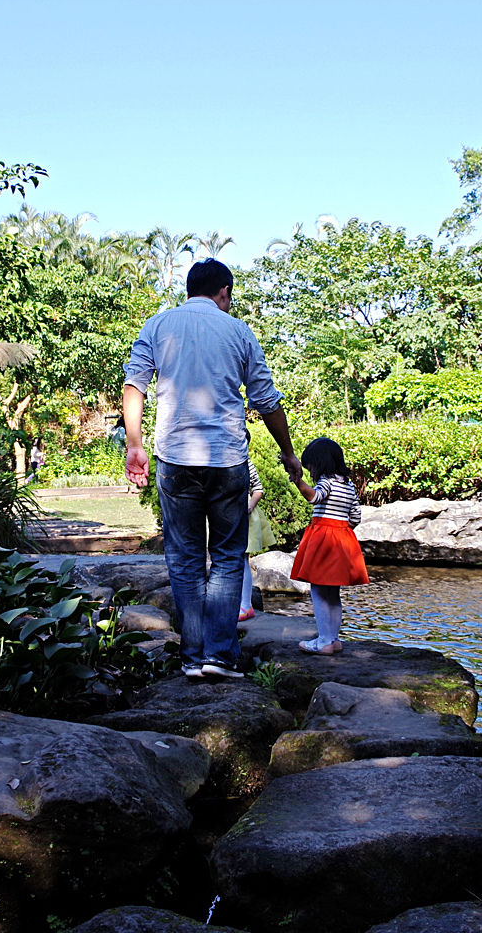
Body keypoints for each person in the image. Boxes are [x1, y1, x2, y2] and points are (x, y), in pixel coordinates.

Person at [122, 258, 301, 680]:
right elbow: (266, 401)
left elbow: (135, 385)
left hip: (175, 458)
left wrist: (135, 446)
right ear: (223, 291)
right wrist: (289, 452)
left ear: (189, 290)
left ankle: (191, 657)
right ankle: (219, 658)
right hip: (227, 461)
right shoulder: (238, 331)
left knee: (184, 559)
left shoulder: (157, 326)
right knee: (225, 558)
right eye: (230, 295)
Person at [288, 436, 368, 655]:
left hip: (323, 537)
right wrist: (341, 529)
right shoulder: (348, 485)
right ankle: (333, 639)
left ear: (320, 463)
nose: (311, 471)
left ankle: (323, 640)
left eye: (311, 466)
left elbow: (315, 498)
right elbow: (356, 516)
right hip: (342, 538)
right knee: (333, 592)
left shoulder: (327, 481)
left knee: (318, 589)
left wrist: (298, 482)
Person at [240, 433, 277, 622]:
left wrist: (250, 505)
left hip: (243, 514)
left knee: (243, 557)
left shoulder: (246, 463)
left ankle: (245, 605)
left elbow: (258, 488)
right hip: (223, 512)